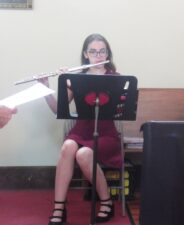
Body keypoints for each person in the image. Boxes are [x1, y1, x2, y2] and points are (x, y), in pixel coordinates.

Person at [40, 33, 121, 225]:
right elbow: (57, 110)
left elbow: (121, 110)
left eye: (102, 51)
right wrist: (51, 86)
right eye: (93, 51)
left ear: (108, 53)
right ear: (86, 54)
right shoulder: (76, 79)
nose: (98, 55)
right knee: (68, 146)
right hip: (81, 130)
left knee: (84, 154)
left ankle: (106, 202)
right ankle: (59, 207)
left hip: (106, 133)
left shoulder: (116, 78)